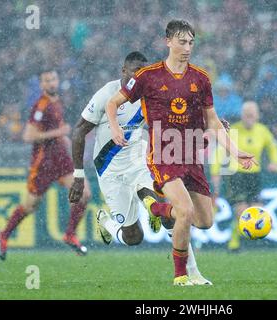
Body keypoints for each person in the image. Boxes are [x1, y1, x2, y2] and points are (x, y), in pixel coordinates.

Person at [105, 20, 256, 286]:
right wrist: (115, 127)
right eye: (182, 42)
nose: (187, 48)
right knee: (184, 211)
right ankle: (180, 276)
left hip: (192, 156)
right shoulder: (148, 76)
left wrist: (235, 151)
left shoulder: (201, 78)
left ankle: (158, 208)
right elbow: (113, 102)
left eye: (191, 42)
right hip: (163, 155)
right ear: (168, 41)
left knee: (205, 221)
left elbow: (212, 121)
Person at [68, 51, 212, 285]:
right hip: (110, 171)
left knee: (170, 215)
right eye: (134, 71)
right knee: (133, 237)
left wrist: (210, 124)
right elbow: (79, 131)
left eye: (143, 71)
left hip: (139, 161)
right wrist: (78, 176)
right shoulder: (108, 93)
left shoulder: (151, 93)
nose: (139, 75)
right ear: (123, 71)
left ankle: (191, 272)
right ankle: (107, 221)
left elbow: (181, 115)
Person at [0, 69, 91, 260]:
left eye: (54, 79)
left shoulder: (57, 102)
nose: (52, 83)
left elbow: (57, 129)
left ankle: (70, 234)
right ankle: (3, 235)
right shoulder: (41, 107)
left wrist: (64, 139)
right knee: (31, 205)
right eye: (47, 81)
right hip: (43, 164)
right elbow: (28, 136)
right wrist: (58, 133)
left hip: (61, 159)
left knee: (84, 194)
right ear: (41, 85)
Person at [210, 101, 277, 252]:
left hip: (254, 176)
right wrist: (215, 172)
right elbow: (219, 152)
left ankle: (250, 239)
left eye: (252, 115)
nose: (249, 117)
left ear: (257, 116)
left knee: (257, 210)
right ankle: (234, 243)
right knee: (241, 211)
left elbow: (273, 146)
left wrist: (275, 162)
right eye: (246, 115)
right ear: (242, 115)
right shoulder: (233, 130)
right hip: (236, 176)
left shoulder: (262, 131)